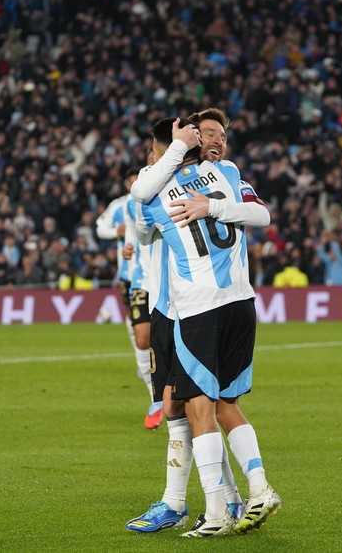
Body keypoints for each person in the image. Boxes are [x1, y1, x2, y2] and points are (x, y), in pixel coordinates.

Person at [132, 110, 280, 537]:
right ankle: (255, 490)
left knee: (197, 407)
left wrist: (178, 147)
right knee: (224, 405)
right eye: (208, 134)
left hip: (194, 308)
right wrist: (213, 203)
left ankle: (216, 511)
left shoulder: (156, 190)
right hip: (241, 302)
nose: (217, 141)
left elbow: (141, 200)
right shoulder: (226, 175)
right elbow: (263, 216)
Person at [96, 173, 163, 430]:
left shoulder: (169, 193)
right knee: (142, 335)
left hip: (166, 278)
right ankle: (153, 393)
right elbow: (102, 228)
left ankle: (167, 388)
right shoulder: (124, 204)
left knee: (161, 335)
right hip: (133, 275)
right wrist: (122, 238)